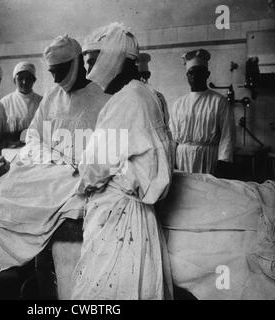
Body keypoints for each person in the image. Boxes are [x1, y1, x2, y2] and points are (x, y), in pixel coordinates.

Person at [0, 35, 111, 287]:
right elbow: (33, 136)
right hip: (52, 169)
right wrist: (52, 158)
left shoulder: (102, 97)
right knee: (8, 186)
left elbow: (109, 147)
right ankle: (28, 272)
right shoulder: (53, 96)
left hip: (83, 175)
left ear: (77, 63)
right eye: (52, 72)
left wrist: (82, 164)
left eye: (60, 71)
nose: (54, 79)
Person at [71, 22, 174, 300]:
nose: (91, 72)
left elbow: (95, 167)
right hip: (139, 212)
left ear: (113, 59)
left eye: (93, 62)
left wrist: (80, 175)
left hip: (120, 217)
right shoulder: (147, 94)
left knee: (106, 292)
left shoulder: (126, 100)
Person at [169, 49, 236, 175]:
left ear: (207, 74)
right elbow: (172, 138)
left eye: (199, 72)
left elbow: (228, 136)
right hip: (182, 159)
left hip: (208, 159)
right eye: (191, 73)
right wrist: (170, 161)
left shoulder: (219, 102)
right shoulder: (178, 104)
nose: (194, 76)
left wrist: (223, 162)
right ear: (187, 76)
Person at [0, 62, 42, 146]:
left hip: (36, 149)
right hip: (10, 151)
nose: (24, 82)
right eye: (20, 78)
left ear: (34, 80)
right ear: (14, 80)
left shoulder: (42, 102)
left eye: (28, 78)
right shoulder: (5, 102)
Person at [136, 52, 170, 125]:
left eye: (146, 76)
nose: (143, 79)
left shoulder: (158, 96)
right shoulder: (128, 97)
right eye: (140, 76)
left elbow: (166, 122)